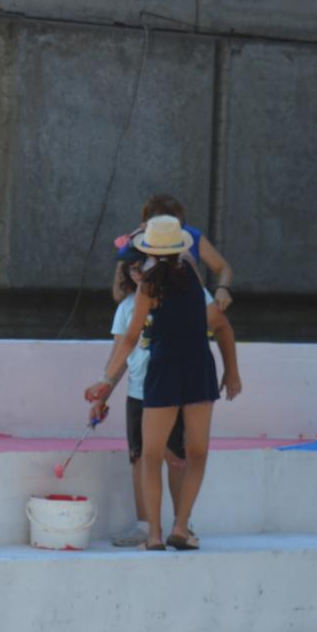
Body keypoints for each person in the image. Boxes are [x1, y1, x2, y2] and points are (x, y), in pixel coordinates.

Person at [88, 217, 241, 551]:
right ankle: (181, 527)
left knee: (152, 456)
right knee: (197, 453)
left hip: (164, 370)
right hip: (198, 367)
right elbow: (218, 321)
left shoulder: (149, 287)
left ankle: (154, 534)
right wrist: (232, 369)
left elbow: (130, 338)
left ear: (149, 250)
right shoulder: (193, 278)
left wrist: (104, 379)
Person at [115, 193, 235, 312]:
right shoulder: (135, 244)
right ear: (147, 225)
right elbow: (119, 295)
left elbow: (223, 268)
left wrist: (223, 288)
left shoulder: (189, 237)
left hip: (187, 306)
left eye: (175, 226)